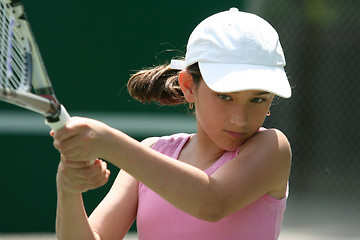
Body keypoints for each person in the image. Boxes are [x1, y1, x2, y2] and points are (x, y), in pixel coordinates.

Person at [52, 7, 292, 240]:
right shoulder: (150, 153)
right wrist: (68, 189)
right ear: (189, 86)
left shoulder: (273, 148)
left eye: (258, 99)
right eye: (224, 96)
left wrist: (111, 143)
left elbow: (212, 202)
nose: (240, 118)